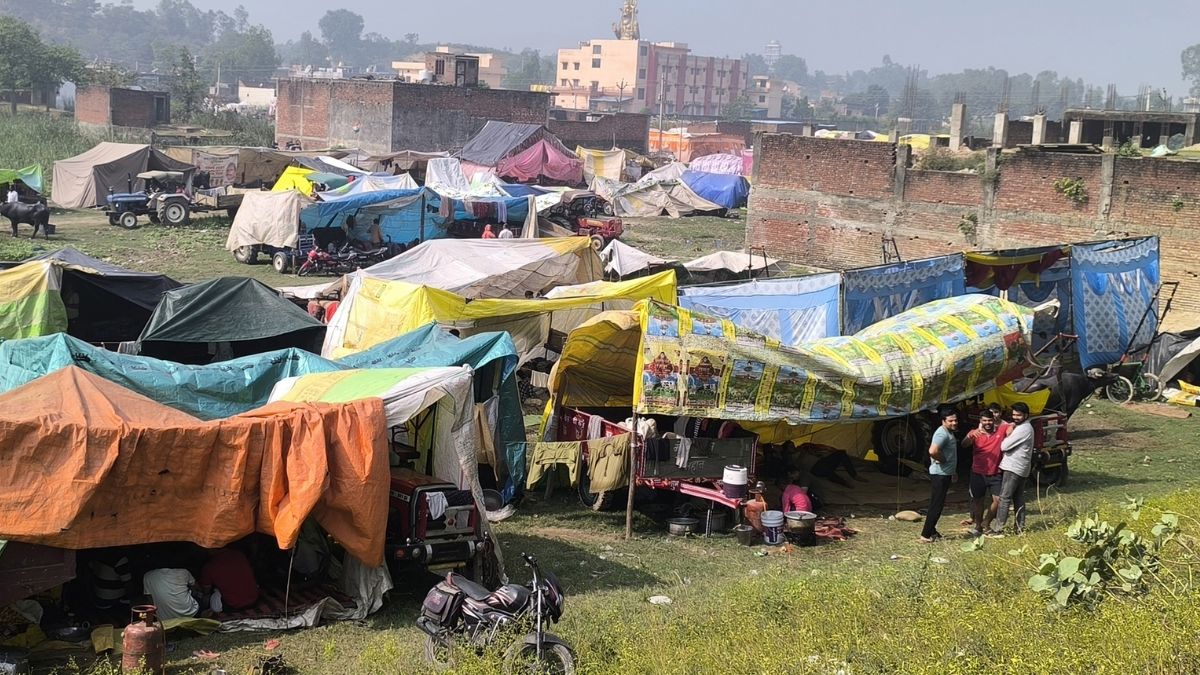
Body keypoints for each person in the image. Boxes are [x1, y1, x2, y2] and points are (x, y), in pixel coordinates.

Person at [991, 402, 1034, 536]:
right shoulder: (1025, 427)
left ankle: (999, 529)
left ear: (1026, 415)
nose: (1015, 417)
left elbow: (1004, 446)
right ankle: (1019, 528)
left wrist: (1008, 434)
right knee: (1018, 497)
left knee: (1004, 498)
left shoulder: (1023, 429)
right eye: (1014, 414)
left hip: (1014, 467)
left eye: (1018, 415)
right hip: (1022, 466)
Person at [963, 410, 1008, 536]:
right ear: (980, 421)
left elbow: (1013, 425)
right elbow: (963, 444)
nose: (987, 423)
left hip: (995, 473)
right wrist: (971, 437)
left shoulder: (1001, 429)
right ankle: (978, 527)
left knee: (999, 500)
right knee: (978, 501)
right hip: (978, 473)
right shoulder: (974, 433)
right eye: (984, 420)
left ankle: (986, 523)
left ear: (994, 420)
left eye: (989, 420)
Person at [920, 407, 959, 543]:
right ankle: (925, 535)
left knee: (938, 503)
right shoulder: (942, 433)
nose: (954, 423)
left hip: (946, 473)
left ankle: (933, 531)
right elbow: (933, 451)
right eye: (951, 421)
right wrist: (942, 459)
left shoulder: (948, 432)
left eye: (955, 420)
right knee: (936, 505)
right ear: (943, 421)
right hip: (940, 474)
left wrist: (953, 472)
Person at [198, 548, 259, 612]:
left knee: (211, 601)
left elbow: (206, 590)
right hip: (254, 600)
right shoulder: (239, 554)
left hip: (233, 605)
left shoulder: (209, 566)